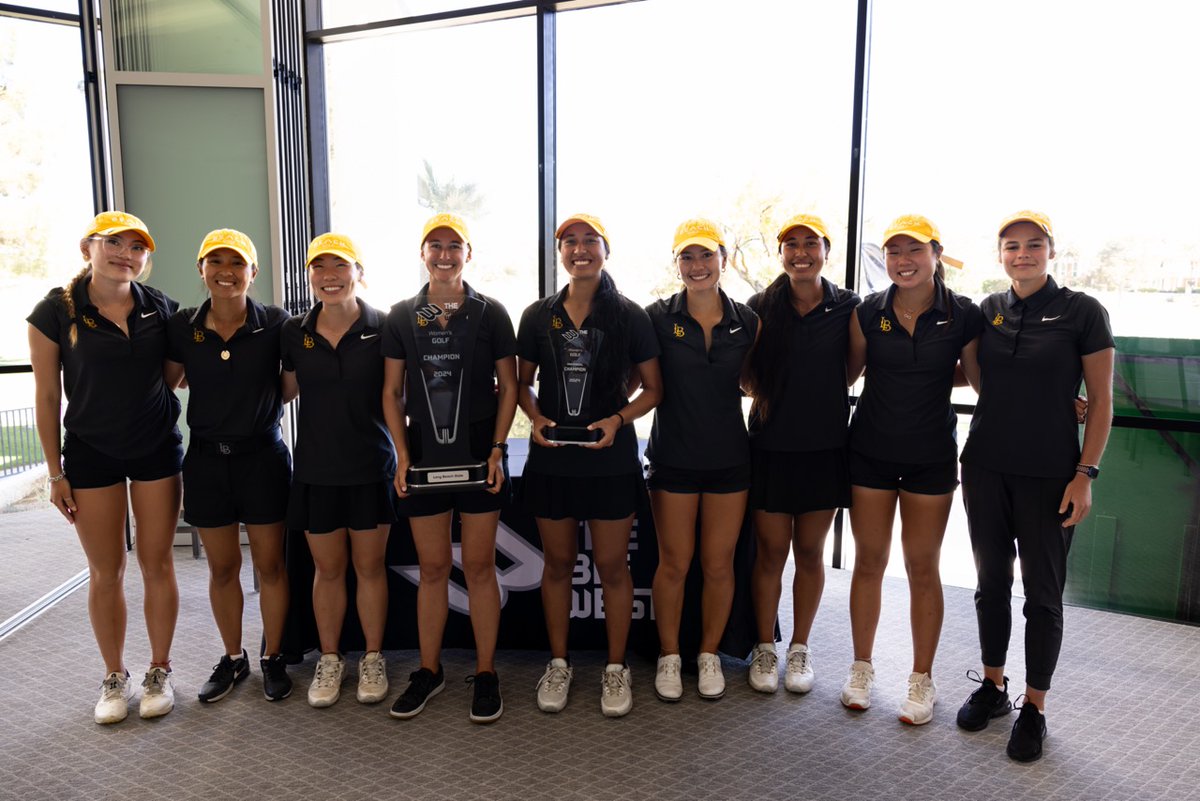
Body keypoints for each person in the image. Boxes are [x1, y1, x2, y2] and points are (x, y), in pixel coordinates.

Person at [956, 210, 1113, 762]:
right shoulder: (988, 311)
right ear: (1000, 255)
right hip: (984, 467)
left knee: (1043, 597)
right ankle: (994, 687)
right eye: (1011, 246)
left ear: (1050, 250)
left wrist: (1085, 475)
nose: (1021, 254)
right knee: (989, 585)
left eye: (1032, 245)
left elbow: (1101, 402)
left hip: (1051, 474)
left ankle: (1035, 706)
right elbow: (978, 375)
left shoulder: (1083, 311)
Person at [28, 211, 183, 723]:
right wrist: (55, 473)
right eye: (114, 243)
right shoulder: (55, 312)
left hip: (155, 447)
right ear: (87, 248)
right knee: (106, 569)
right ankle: (114, 676)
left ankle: (158, 670)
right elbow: (48, 396)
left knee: (157, 563)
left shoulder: (159, 307)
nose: (126, 254)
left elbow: (171, 376)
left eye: (137, 247)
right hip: (91, 451)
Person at [516, 213, 662, 717]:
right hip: (554, 459)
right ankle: (559, 664)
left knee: (610, 567)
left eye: (589, 241)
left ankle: (616, 669)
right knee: (557, 566)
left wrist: (618, 420)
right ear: (560, 253)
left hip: (611, 461)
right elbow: (523, 383)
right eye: (569, 242)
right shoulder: (537, 315)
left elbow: (653, 388)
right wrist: (534, 418)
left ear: (606, 249)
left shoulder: (630, 314)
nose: (580, 250)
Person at [843, 214, 983, 725]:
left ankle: (922, 679)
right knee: (868, 563)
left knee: (923, 567)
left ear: (935, 255)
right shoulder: (867, 311)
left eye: (914, 251)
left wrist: (1059, 402)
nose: (903, 262)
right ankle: (861, 668)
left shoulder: (963, 313)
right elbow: (846, 373)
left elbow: (980, 378)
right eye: (894, 252)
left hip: (930, 456)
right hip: (870, 453)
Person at [382, 213, 518, 723]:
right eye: (434, 246)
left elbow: (508, 389)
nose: (444, 254)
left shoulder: (492, 313)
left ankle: (486, 673)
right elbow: (391, 393)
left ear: (468, 254)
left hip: (479, 460)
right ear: (422, 255)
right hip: (424, 462)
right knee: (434, 568)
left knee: (480, 567)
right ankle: (429, 670)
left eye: (453, 246)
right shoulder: (401, 316)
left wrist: (499, 448)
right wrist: (401, 453)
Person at [164, 229, 293, 703]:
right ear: (201, 270)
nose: (225, 271)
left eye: (236, 263)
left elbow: (292, 384)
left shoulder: (275, 323)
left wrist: (255, 407)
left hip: (262, 457)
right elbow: (170, 379)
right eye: (214, 262)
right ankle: (234, 657)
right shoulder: (181, 326)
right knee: (222, 568)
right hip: (205, 461)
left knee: (271, 565)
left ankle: (273, 656)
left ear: (252, 272)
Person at [742, 213, 860, 695]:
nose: (801, 253)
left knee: (809, 552)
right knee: (770, 553)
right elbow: (745, 374)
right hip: (770, 447)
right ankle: (765, 647)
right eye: (791, 245)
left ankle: (800, 647)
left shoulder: (848, 306)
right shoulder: (758, 306)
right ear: (781, 254)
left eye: (810, 243)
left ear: (826, 251)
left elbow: (852, 370)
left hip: (825, 448)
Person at [643, 218, 758, 702]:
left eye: (706, 256)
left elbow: (755, 383)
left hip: (730, 458)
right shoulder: (655, 317)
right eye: (687, 257)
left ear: (723, 261)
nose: (697, 266)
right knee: (674, 564)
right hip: (673, 457)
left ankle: (708, 654)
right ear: (676, 266)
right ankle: (670, 656)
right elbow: (639, 381)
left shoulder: (748, 321)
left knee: (718, 564)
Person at [280, 233, 396, 709]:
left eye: (339, 266)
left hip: (371, 467)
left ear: (358, 273)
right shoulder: (293, 331)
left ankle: (372, 657)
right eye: (318, 268)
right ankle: (330, 659)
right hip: (316, 470)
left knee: (369, 568)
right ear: (309, 277)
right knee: (328, 570)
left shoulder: (385, 327)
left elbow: (401, 397)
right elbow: (282, 390)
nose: (329, 276)